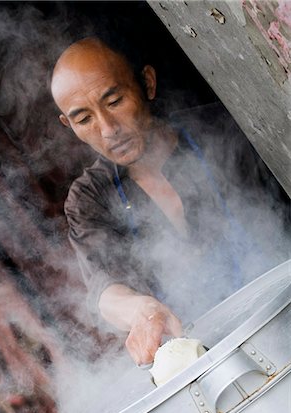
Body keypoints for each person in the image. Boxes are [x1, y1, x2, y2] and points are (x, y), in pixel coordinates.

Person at [50, 37, 267, 365]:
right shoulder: (89, 198)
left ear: (147, 84)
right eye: (84, 119)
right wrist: (142, 309)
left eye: (114, 101)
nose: (108, 129)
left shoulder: (223, 128)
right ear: (69, 125)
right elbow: (104, 290)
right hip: (205, 361)